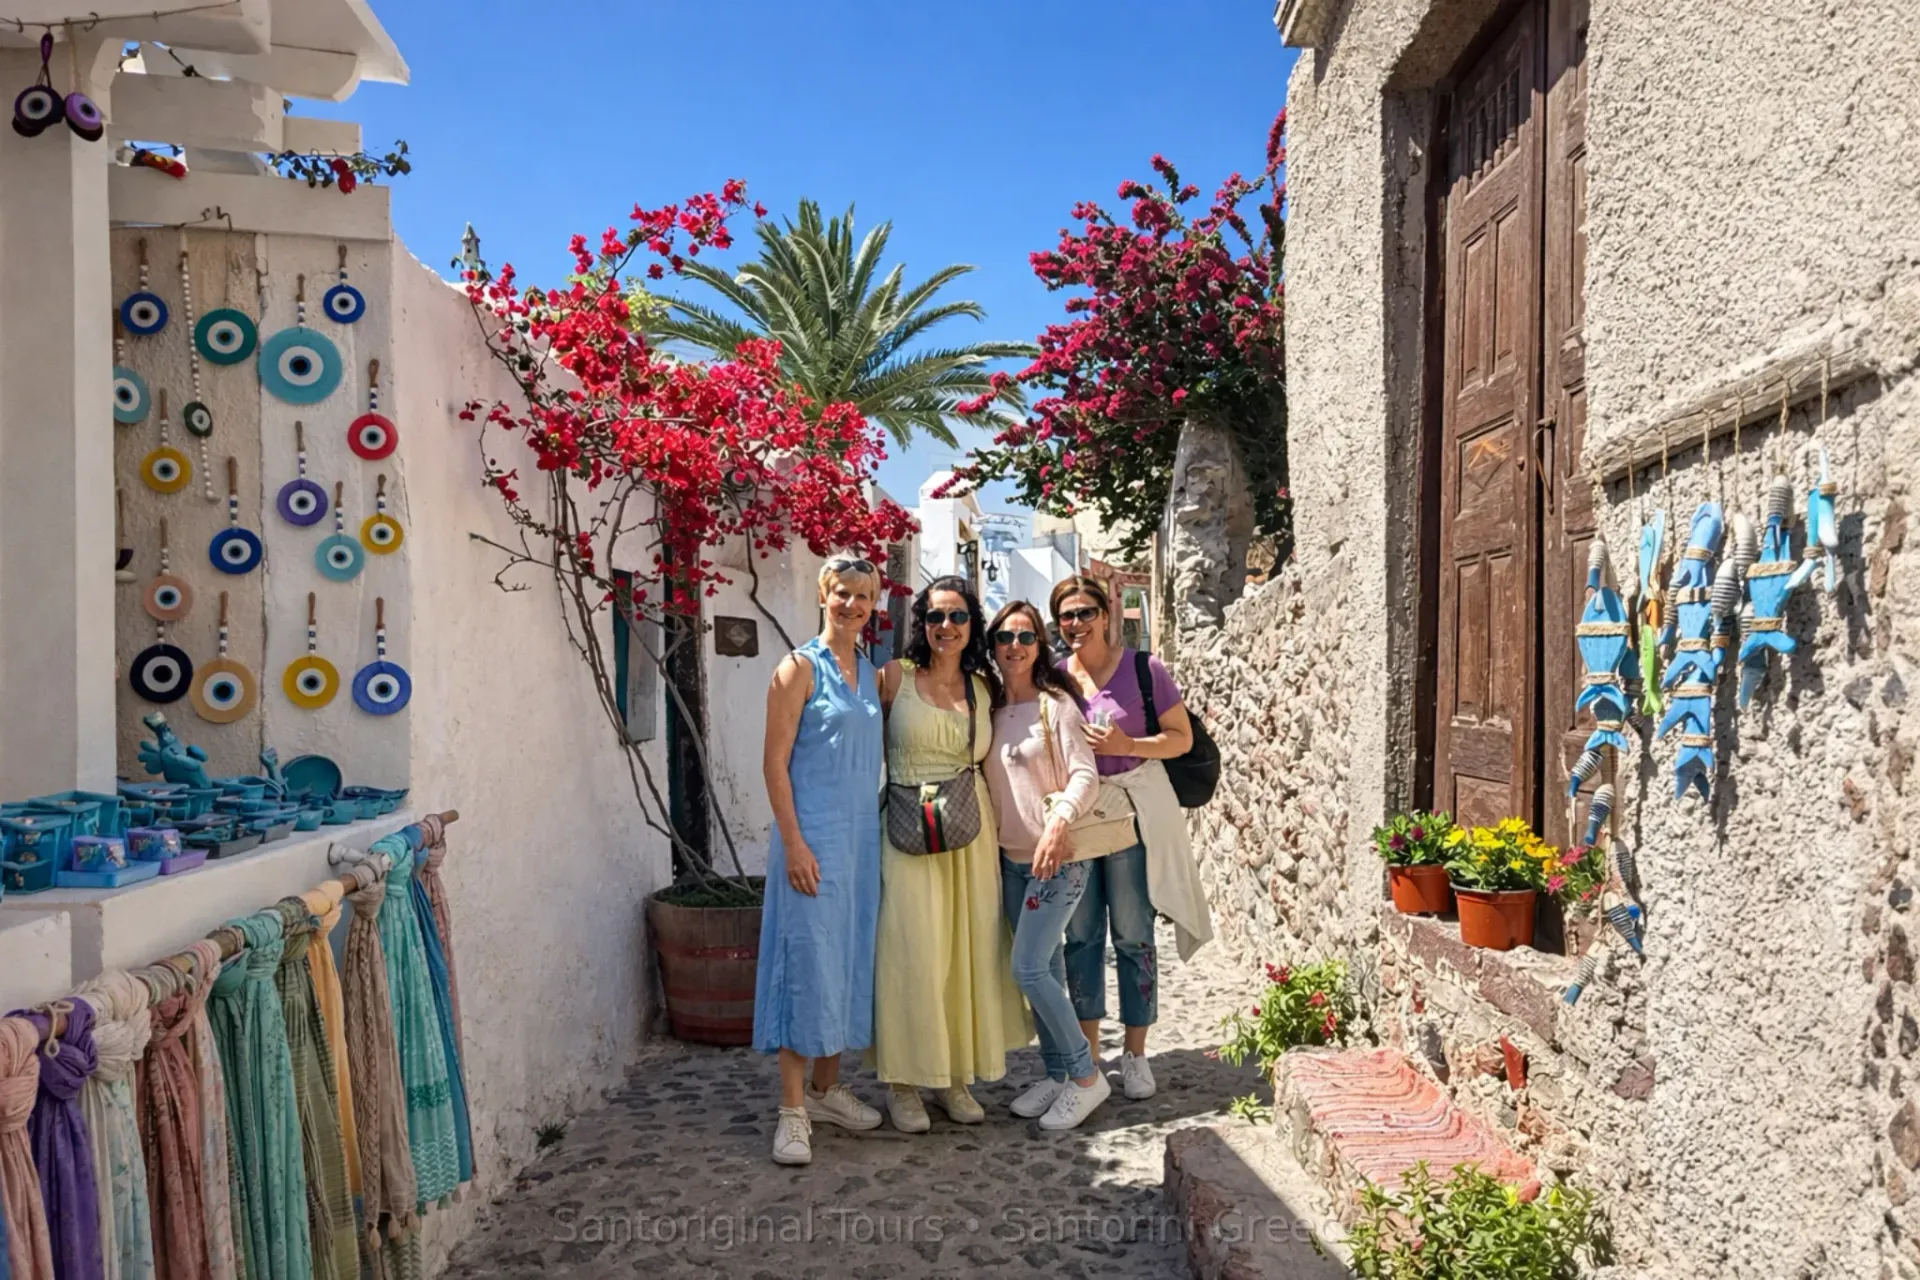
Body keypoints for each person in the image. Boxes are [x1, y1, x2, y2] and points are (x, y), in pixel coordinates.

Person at [870, 577, 1030, 1131]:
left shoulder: (984, 688)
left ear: (972, 625)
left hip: (969, 827)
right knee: (910, 947)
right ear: (923, 622)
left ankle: (953, 1075)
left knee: (966, 949)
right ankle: (903, 1081)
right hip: (905, 825)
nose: (947, 626)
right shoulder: (893, 678)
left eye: (958, 616)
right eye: (936, 616)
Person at [1049, 576, 1214, 1101]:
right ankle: (1090, 1056)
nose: (1076, 623)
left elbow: (1181, 739)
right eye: (1066, 615)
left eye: (1085, 612)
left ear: (1106, 614)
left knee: (1133, 933)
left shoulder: (1145, 670)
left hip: (1131, 818)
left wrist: (1128, 744)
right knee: (1080, 937)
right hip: (1081, 819)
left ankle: (1136, 1054)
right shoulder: (1055, 678)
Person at [754, 556, 888, 1165]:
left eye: (863, 596)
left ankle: (827, 1090)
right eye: (842, 593)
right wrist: (794, 842)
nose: (852, 605)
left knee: (847, 959)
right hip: (810, 838)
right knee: (805, 962)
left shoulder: (871, 671)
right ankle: (791, 1110)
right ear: (822, 594)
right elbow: (773, 763)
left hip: (860, 843)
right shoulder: (797, 668)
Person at [983, 601, 1113, 1129]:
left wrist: (1059, 822)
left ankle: (1086, 1076)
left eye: (1025, 637)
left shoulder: (1055, 705)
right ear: (992, 647)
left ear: (1039, 645)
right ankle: (1058, 1073)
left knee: (1029, 969)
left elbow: (1085, 774)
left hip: (1057, 860)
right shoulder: (990, 707)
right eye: (1004, 637)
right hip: (1010, 860)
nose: (1014, 646)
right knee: (1048, 968)